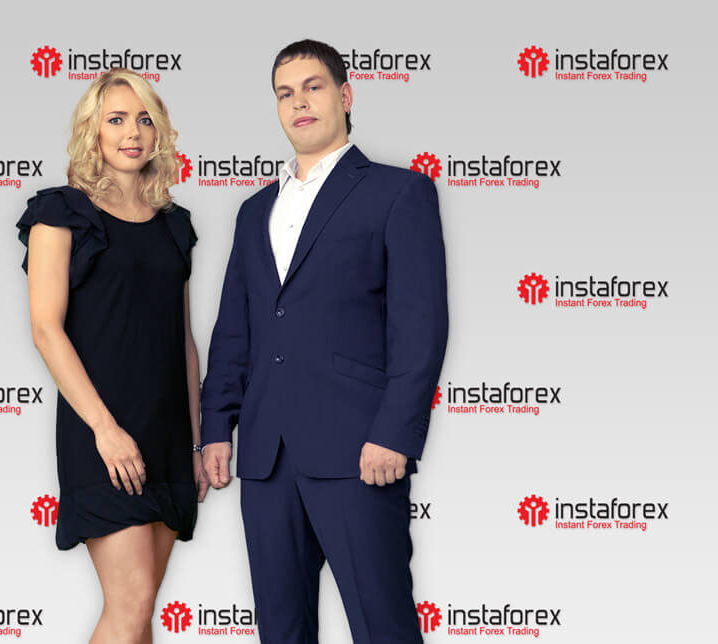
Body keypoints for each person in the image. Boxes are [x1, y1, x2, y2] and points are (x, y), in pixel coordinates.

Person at [200, 39, 449, 644]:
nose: (299, 103)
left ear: (345, 95)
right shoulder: (253, 211)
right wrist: (215, 427)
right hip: (266, 457)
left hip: (359, 451)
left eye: (312, 87)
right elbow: (234, 329)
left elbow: (420, 327)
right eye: (285, 93)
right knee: (280, 631)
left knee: (383, 628)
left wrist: (394, 433)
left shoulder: (399, 192)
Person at [15, 68, 208, 644]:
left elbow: (183, 339)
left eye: (144, 119)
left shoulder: (175, 225)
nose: (133, 132)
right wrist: (105, 429)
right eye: (117, 119)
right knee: (131, 603)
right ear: (92, 132)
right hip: (101, 431)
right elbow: (46, 330)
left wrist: (197, 443)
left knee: (139, 613)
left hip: (167, 434)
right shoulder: (60, 212)